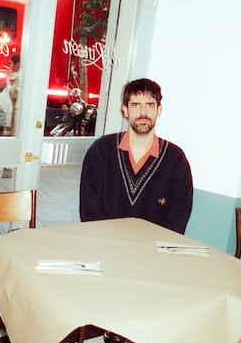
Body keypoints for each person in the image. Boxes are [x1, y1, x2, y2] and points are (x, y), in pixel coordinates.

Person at [79, 78, 193, 234]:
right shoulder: (101, 151)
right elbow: (89, 210)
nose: (143, 113)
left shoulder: (176, 159)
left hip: (151, 251)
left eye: (150, 105)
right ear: (125, 110)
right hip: (105, 245)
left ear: (159, 110)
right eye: (135, 105)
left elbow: (178, 217)